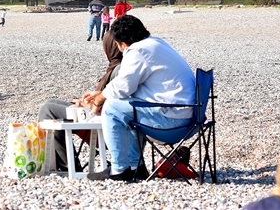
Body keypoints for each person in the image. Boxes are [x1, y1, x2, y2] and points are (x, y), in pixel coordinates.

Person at [83, 15, 196, 182]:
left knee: (112, 109)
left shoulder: (137, 50)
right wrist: (100, 94)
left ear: (123, 43)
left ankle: (119, 169)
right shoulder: (156, 43)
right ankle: (137, 167)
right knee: (127, 110)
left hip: (172, 120)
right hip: (188, 117)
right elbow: (134, 89)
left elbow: (123, 86)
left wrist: (100, 99)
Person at [37, 31, 123, 172]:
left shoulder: (118, 70)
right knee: (51, 103)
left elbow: (115, 103)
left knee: (48, 110)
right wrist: (85, 103)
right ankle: (66, 164)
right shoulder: (119, 68)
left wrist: (88, 106)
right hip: (99, 117)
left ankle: (67, 165)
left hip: (103, 125)